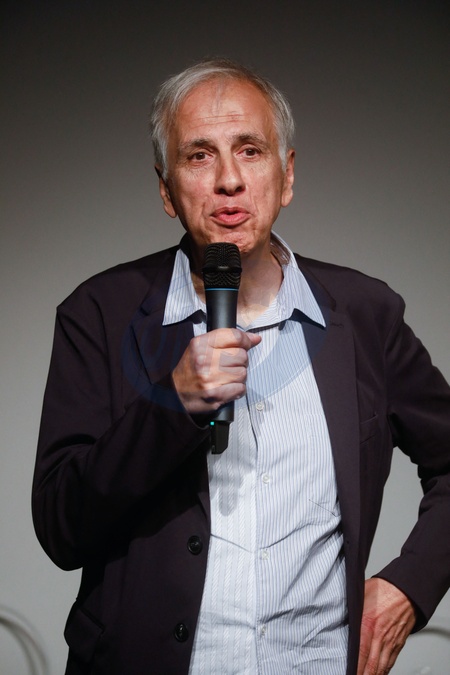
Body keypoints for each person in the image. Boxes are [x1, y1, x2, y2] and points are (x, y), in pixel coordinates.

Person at [32, 58, 450, 675]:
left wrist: (408, 588)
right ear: (166, 190)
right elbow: (61, 528)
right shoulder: (98, 313)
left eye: (250, 151)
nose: (229, 179)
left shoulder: (366, 315)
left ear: (286, 176)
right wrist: (170, 406)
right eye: (199, 156)